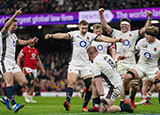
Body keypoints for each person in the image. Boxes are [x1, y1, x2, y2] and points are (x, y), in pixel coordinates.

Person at [45, 20, 123, 111]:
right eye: (83, 28)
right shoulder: (74, 34)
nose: (85, 30)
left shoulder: (90, 35)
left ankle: (85, 106)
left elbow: (103, 39)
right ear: (79, 27)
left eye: (86, 28)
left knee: (90, 88)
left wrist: (115, 40)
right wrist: (52, 35)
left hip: (86, 65)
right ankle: (68, 102)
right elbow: (62, 35)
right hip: (75, 63)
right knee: (71, 82)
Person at [98, 8, 152, 108]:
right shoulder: (116, 33)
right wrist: (101, 14)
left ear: (129, 27)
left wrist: (149, 18)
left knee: (134, 86)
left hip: (131, 62)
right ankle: (123, 102)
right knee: (123, 82)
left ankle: (131, 99)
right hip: (121, 63)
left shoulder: (134, 34)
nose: (123, 26)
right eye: (122, 24)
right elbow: (105, 26)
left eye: (125, 25)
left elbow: (145, 29)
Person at [0, 8, 38, 113]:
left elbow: (19, 42)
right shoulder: (3, 33)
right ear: (9, 24)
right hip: (4, 61)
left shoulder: (13, 35)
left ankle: (6, 98)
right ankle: (14, 105)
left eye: (16, 25)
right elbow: (6, 26)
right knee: (10, 83)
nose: (16, 27)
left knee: (24, 81)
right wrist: (15, 15)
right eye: (14, 25)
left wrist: (30, 41)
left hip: (12, 62)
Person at [87, 46, 133, 113]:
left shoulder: (95, 64)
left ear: (89, 55)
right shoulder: (106, 56)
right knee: (93, 80)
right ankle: (96, 105)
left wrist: (102, 98)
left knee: (105, 110)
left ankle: (124, 107)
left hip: (113, 87)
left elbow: (98, 82)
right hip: (117, 81)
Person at [122, 26, 160, 108]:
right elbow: (133, 51)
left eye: (148, 36)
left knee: (159, 87)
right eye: (145, 35)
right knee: (126, 78)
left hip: (152, 69)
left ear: (154, 36)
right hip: (140, 67)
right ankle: (128, 99)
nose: (146, 38)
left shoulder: (159, 44)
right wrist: (125, 56)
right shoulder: (142, 41)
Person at [17, 37, 46, 103]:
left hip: (34, 69)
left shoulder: (35, 50)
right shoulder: (25, 49)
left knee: (33, 83)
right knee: (31, 80)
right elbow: (19, 58)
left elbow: (38, 60)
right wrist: (19, 67)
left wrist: (42, 69)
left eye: (33, 42)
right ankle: (26, 95)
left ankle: (30, 98)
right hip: (27, 68)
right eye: (31, 41)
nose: (32, 42)